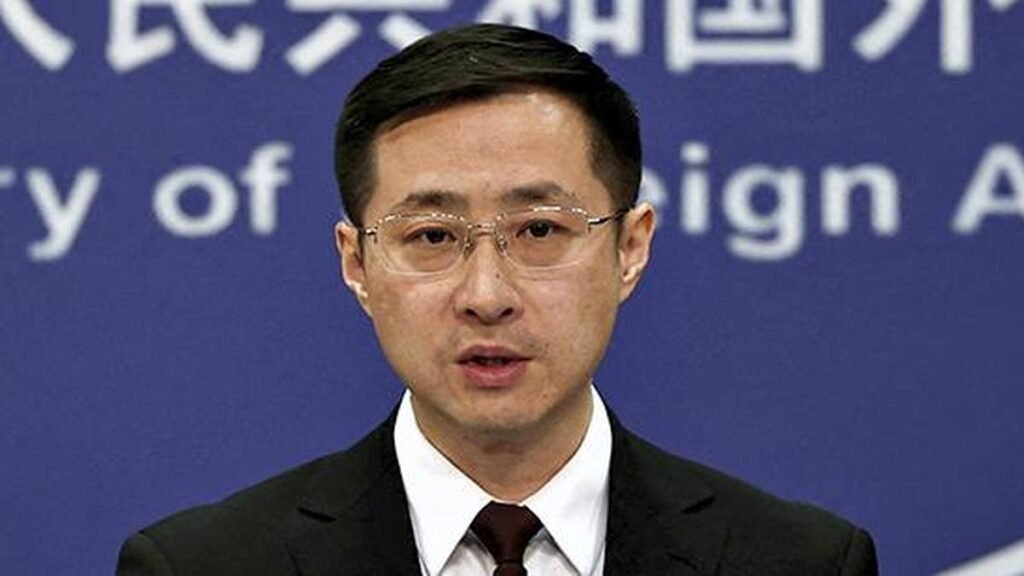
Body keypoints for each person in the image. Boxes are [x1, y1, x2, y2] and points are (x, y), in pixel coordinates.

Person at [117, 23, 878, 576]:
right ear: (357, 264)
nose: (486, 296)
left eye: (540, 229)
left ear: (631, 248)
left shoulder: (799, 561)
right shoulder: (203, 566)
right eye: (432, 236)